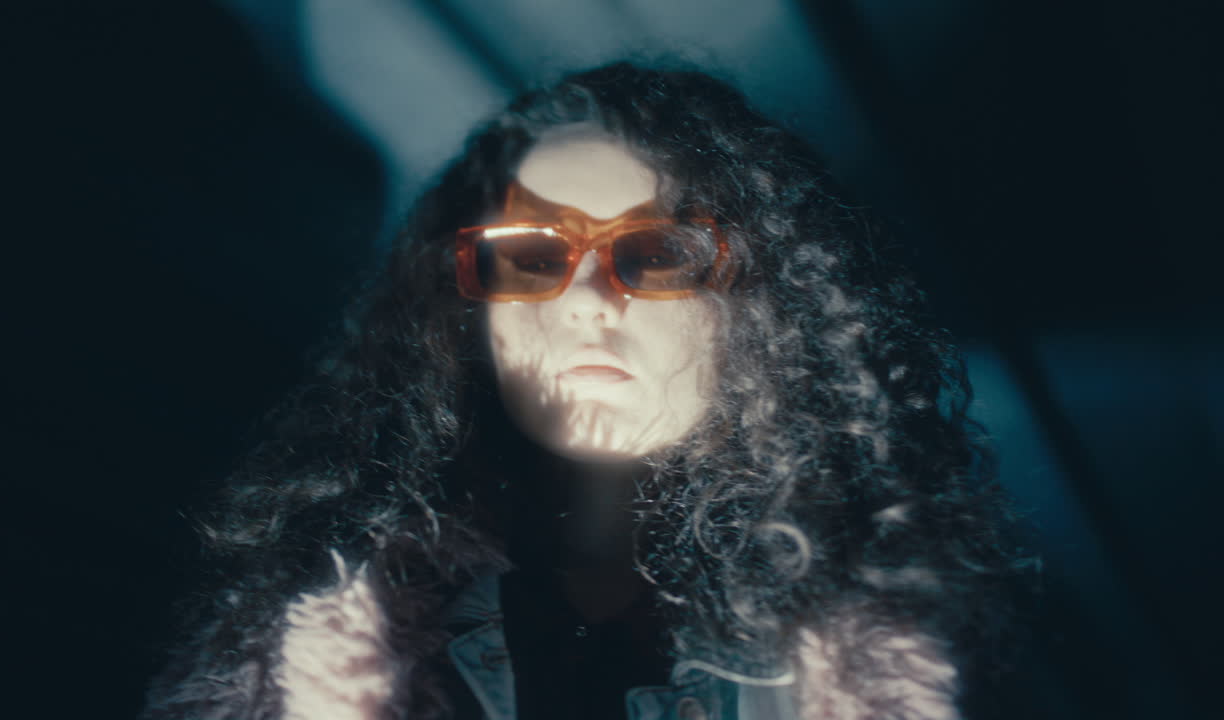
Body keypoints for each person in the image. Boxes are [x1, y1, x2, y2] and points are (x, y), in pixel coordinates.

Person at [143, 62, 1025, 720]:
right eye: (532, 254)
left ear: (769, 307)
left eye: (660, 253)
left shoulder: (891, 663)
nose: (586, 300)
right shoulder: (309, 642)